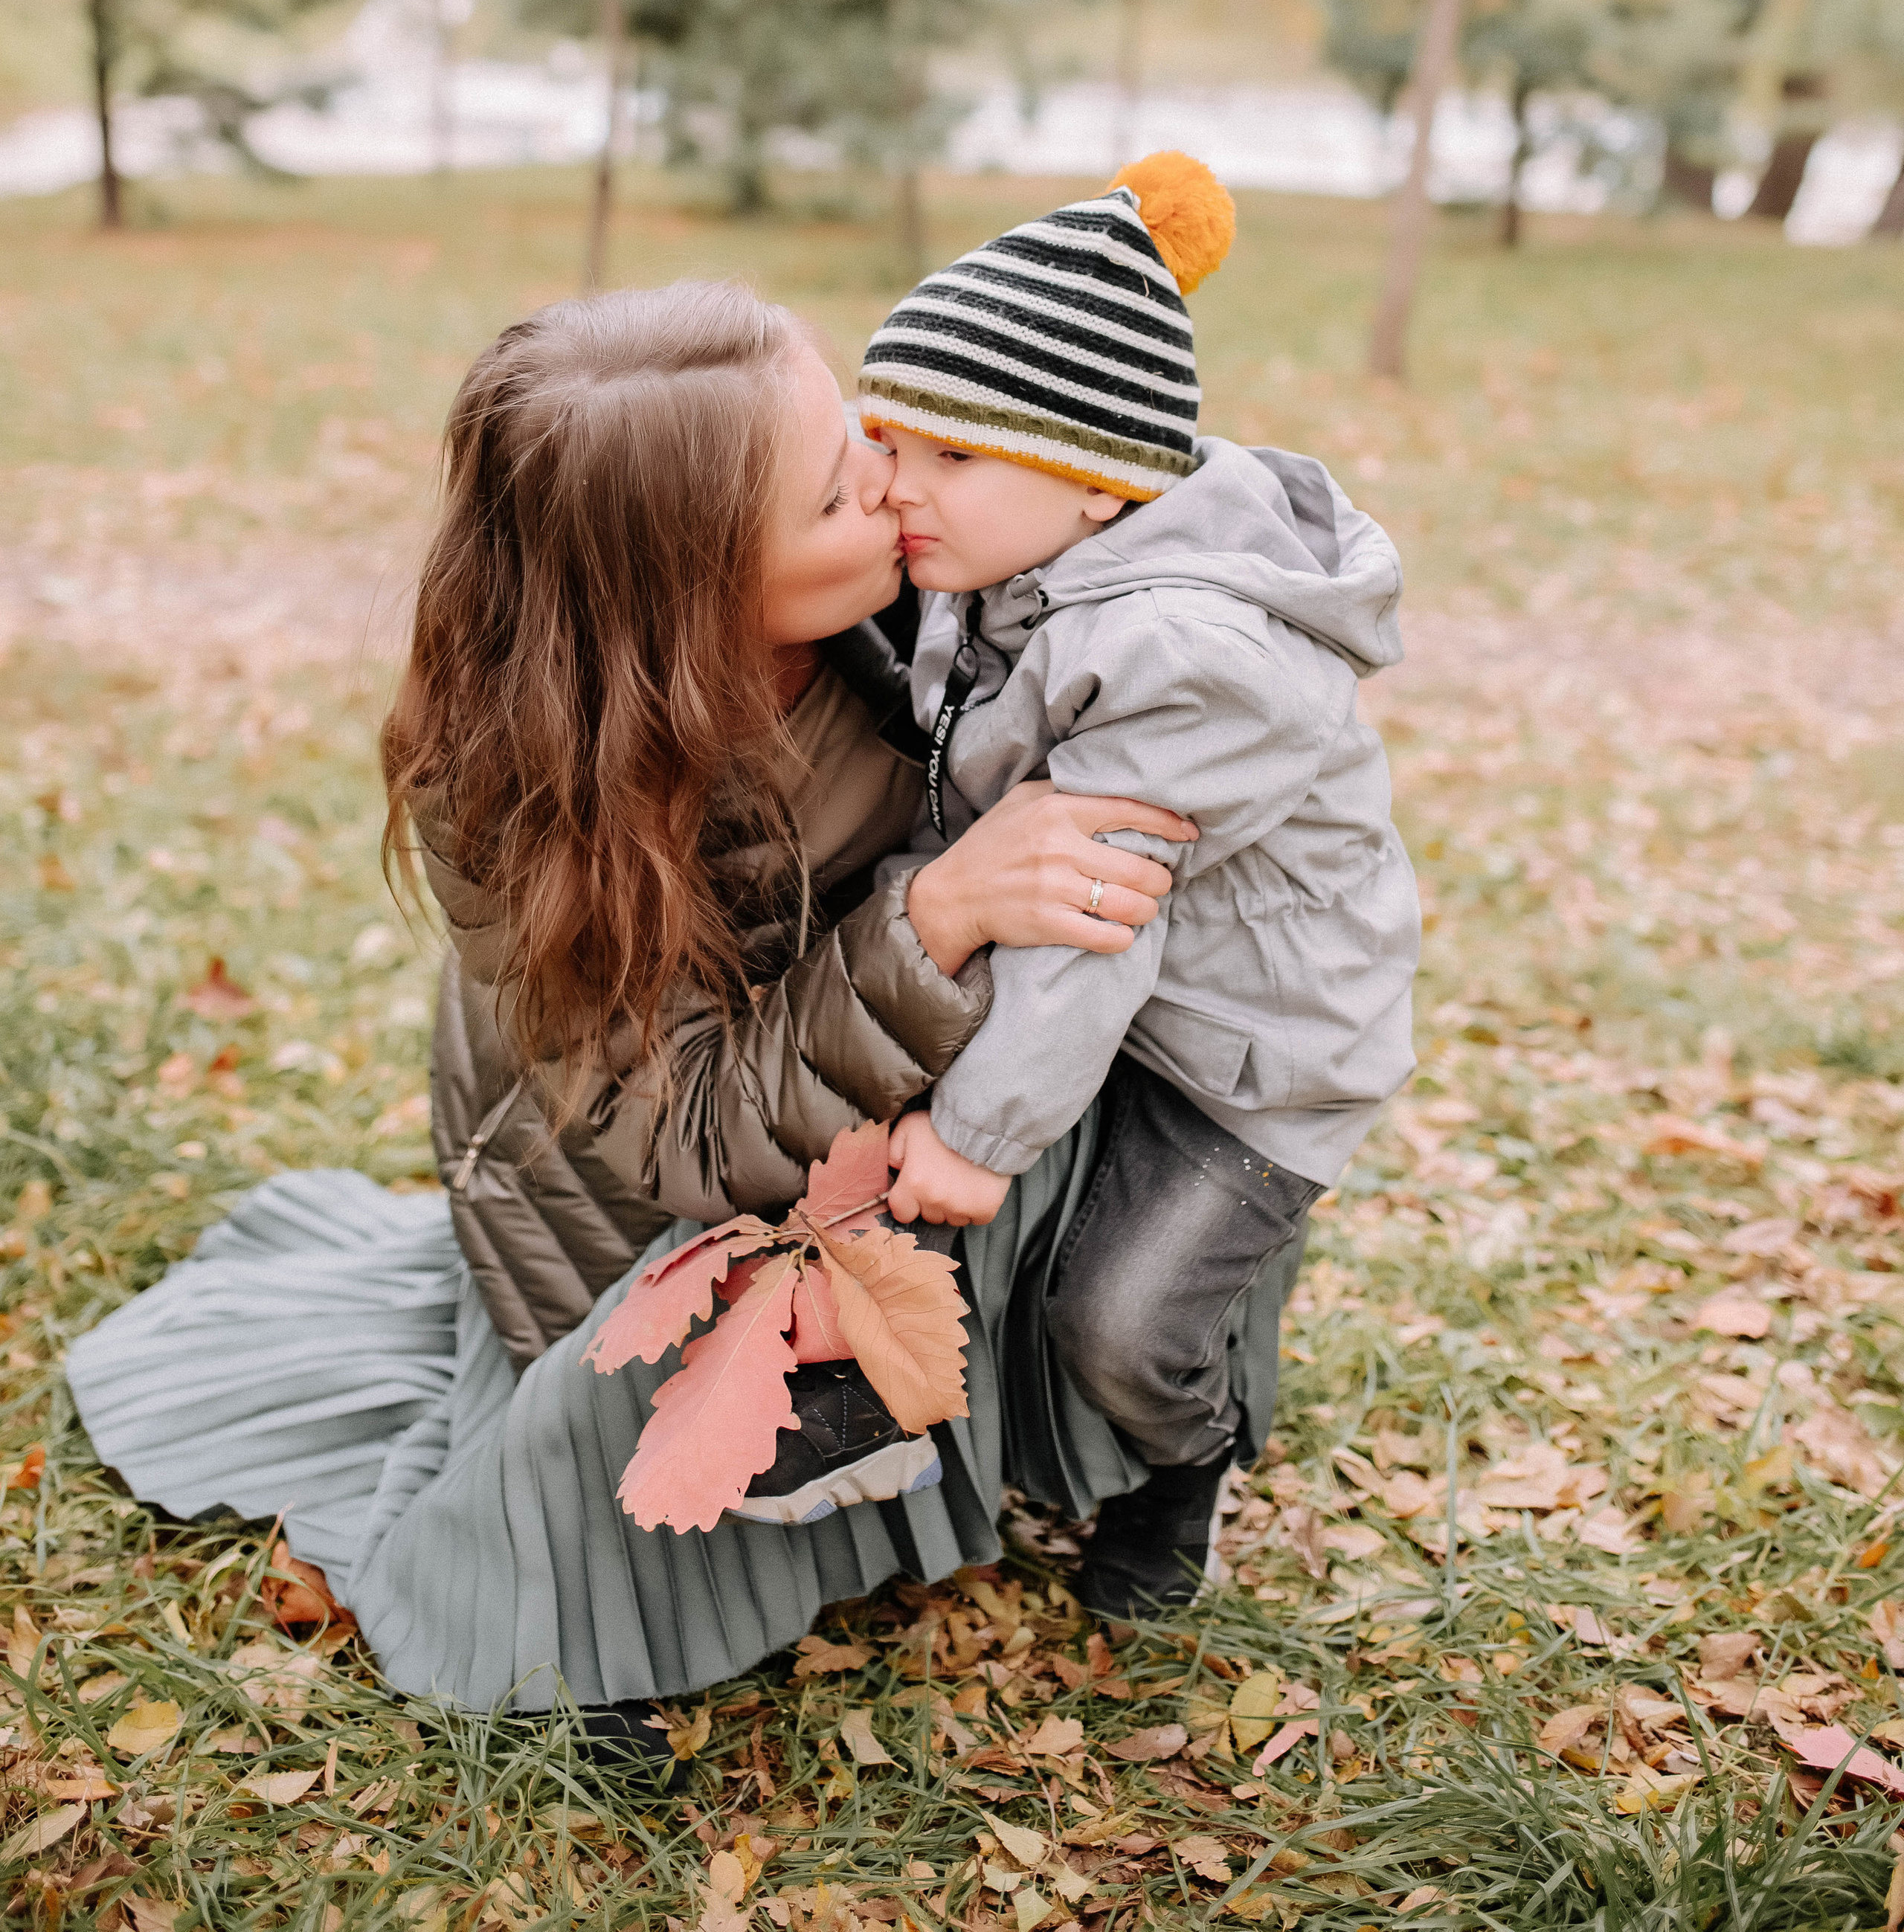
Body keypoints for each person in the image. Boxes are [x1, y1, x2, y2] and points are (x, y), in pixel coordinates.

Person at [67, 278, 1265, 1739]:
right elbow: (685, 1140)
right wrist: (939, 915)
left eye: (860, 433)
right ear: (689, 596)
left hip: (870, 1123)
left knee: (1121, 1128)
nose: (898, 479)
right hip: (634, 1194)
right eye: (838, 491)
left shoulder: (928, 588)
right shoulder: (508, 788)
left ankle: (1130, 1424)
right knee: (643, 1443)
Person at [856, 154, 1419, 1620]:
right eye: (888, 444)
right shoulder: (1006, 555)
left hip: (1253, 1058)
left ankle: (1189, 1456)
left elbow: (1093, 908)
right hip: (1139, 998)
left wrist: (977, 1135)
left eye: (948, 458)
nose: (897, 488)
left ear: (1101, 477)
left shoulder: (1188, 654)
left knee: (1116, 1318)